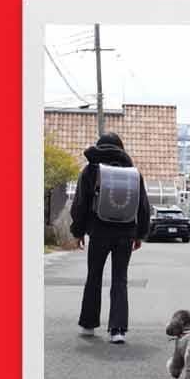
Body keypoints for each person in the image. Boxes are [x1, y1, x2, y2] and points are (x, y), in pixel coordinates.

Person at [69, 132, 150, 344]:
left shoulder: (91, 170)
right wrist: (140, 234)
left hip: (99, 232)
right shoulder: (133, 172)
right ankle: (118, 329)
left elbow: (80, 204)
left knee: (94, 276)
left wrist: (78, 232)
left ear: (99, 148)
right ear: (121, 149)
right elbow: (143, 206)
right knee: (120, 279)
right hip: (125, 233)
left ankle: (88, 324)